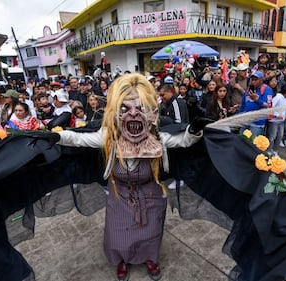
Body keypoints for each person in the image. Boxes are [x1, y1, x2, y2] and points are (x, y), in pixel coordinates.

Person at [56, 73, 203, 281]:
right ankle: (122, 260)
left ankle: (150, 259)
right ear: (116, 112)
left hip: (150, 194)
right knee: (118, 234)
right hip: (120, 194)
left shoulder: (157, 137)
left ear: (150, 112)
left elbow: (183, 141)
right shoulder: (109, 136)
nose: (133, 114)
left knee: (151, 232)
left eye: (140, 108)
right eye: (126, 109)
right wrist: (56, 136)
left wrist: (195, 130)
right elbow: (79, 140)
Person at [239, 71, 273, 136]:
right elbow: (243, 104)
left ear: (261, 80)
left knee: (253, 143)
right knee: (242, 141)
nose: (253, 81)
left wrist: (257, 100)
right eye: (252, 79)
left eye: (256, 79)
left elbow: (268, 106)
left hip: (257, 124)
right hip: (246, 121)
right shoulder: (249, 89)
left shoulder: (267, 90)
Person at [266, 83, 286, 157]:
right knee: (272, 136)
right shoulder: (278, 97)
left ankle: (275, 150)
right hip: (274, 121)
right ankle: (269, 150)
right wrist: (277, 115)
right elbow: (271, 108)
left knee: (280, 136)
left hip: (282, 121)